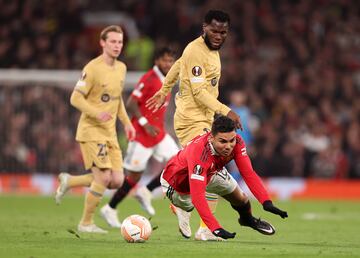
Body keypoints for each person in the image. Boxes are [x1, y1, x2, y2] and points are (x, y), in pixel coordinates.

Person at [146, 10, 242, 240]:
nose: (219, 35)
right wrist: (226, 110)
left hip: (205, 119)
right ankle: (197, 220)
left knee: (207, 170)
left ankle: (186, 208)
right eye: (214, 30)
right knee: (211, 167)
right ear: (204, 28)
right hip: (191, 120)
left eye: (223, 32)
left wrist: (164, 90)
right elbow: (198, 92)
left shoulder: (210, 51)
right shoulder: (195, 50)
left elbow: (178, 65)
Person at [55, 25, 136, 233]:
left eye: (120, 42)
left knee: (116, 180)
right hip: (91, 130)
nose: (117, 46)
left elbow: (117, 101)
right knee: (103, 177)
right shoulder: (92, 68)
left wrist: (127, 124)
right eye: (113, 42)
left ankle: (70, 180)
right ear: (103, 43)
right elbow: (75, 97)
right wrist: (96, 112)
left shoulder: (121, 68)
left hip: (109, 132)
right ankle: (86, 223)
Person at [160, 115, 288, 240]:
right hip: (176, 183)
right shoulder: (199, 153)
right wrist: (216, 228)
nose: (228, 146)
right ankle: (181, 208)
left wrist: (266, 202)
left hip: (210, 172)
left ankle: (247, 220)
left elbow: (248, 173)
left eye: (231, 140)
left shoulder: (237, 142)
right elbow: (198, 196)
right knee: (189, 204)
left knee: (240, 198)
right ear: (211, 138)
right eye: (223, 141)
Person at [100, 47, 180, 228]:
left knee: (179, 163)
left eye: (171, 61)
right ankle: (110, 208)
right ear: (157, 61)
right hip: (142, 135)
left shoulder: (168, 79)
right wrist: (144, 123)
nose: (168, 64)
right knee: (134, 177)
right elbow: (131, 103)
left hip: (158, 134)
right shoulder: (149, 78)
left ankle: (146, 191)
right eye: (165, 60)